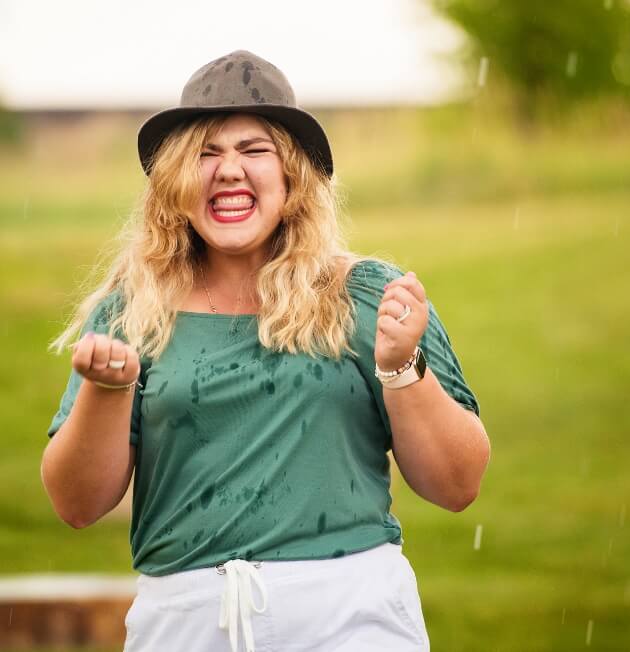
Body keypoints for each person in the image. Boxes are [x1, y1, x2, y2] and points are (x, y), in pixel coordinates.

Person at [41, 50, 490, 652]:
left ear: (292, 176)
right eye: (205, 153)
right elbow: (74, 505)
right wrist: (107, 390)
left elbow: (457, 485)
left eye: (254, 151)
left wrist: (402, 369)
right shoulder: (133, 311)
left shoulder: (368, 296)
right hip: (186, 626)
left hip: (351, 619)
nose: (229, 171)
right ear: (174, 180)